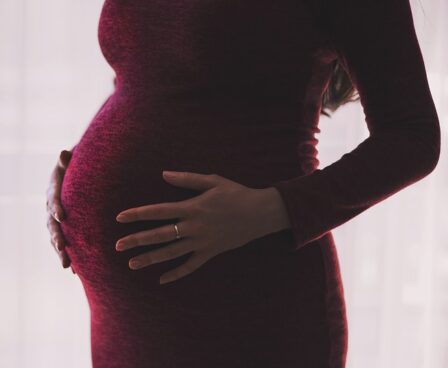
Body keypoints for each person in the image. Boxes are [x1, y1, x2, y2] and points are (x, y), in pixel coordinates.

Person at [45, 0, 441, 366]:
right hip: (123, 324)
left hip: (246, 303)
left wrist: (269, 209)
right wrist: (76, 166)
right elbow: (146, 82)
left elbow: (413, 137)